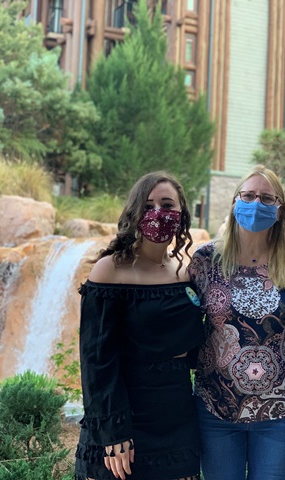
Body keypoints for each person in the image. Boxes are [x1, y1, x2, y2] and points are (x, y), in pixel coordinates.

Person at [74, 171, 205, 480]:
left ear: (182, 214)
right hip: (125, 419)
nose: (158, 213)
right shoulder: (110, 270)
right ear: (134, 213)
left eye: (167, 205)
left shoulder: (185, 272)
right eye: (148, 206)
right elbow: (96, 361)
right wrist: (113, 431)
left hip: (176, 418)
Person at [187, 165, 285, 480]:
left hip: (282, 410)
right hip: (216, 408)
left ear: (279, 210)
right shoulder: (205, 260)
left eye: (267, 198)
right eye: (248, 196)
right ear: (234, 202)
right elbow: (184, 324)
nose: (256, 204)